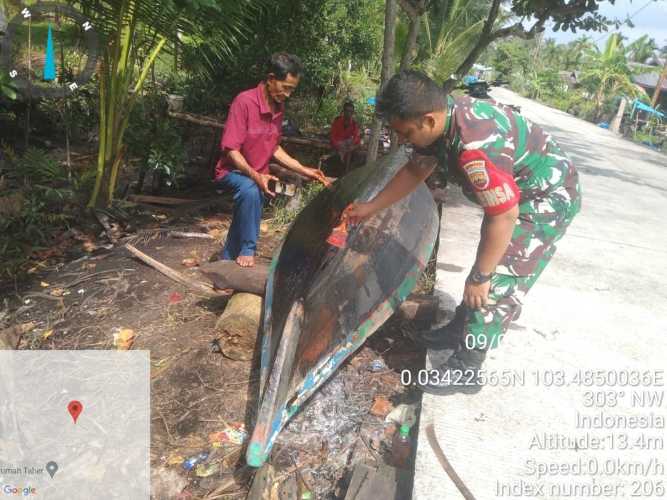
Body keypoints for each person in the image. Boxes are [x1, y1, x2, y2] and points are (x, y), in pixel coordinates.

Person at [345, 70, 581, 394]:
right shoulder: (443, 123)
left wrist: (481, 276)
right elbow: (417, 168)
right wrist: (370, 207)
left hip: (543, 199)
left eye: (406, 133)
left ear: (428, 120)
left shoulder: (474, 147)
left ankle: (467, 367)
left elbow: (504, 216)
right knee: (484, 267)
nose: (403, 140)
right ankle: (460, 327)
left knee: (497, 277)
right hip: (512, 199)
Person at [213, 52, 328, 267]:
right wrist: (256, 176)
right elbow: (231, 150)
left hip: (258, 176)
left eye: (292, 90)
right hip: (232, 172)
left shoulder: (278, 108)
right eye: (285, 87)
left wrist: (305, 170)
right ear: (271, 78)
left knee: (247, 204)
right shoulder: (244, 102)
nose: (288, 94)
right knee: (250, 190)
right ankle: (248, 248)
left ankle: (226, 260)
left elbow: (273, 147)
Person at [330, 101, 361, 173]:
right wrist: (338, 146)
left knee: (355, 147)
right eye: (347, 111)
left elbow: (356, 137)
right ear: (343, 111)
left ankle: (346, 171)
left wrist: (352, 145)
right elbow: (332, 136)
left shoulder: (354, 124)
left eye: (350, 111)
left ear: (353, 113)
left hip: (348, 146)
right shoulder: (337, 121)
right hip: (338, 144)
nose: (348, 113)